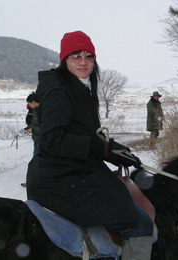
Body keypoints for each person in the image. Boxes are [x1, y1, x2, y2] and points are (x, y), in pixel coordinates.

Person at [26, 31, 153, 260]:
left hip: (72, 171)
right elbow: (51, 140)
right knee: (140, 223)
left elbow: (85, 134)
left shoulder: (78, 86)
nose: (83, 62)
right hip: (61, 179)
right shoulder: (59, 90)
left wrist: (115, 150)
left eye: (88, 56)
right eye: (75, 56)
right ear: (64, 59)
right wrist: (102, 149)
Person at [21, 92, 41, 187]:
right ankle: (34, 182)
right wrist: (26, 129)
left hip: (42, 141)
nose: (28, 106)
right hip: (37, 139)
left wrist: (32, 129)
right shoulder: (36, 110)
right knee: (36, 162)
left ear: (33, 102)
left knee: (36, 162)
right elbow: (34, 124)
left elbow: (45, 126)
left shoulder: (43, 111)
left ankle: (34, 183)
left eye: (29, 103)